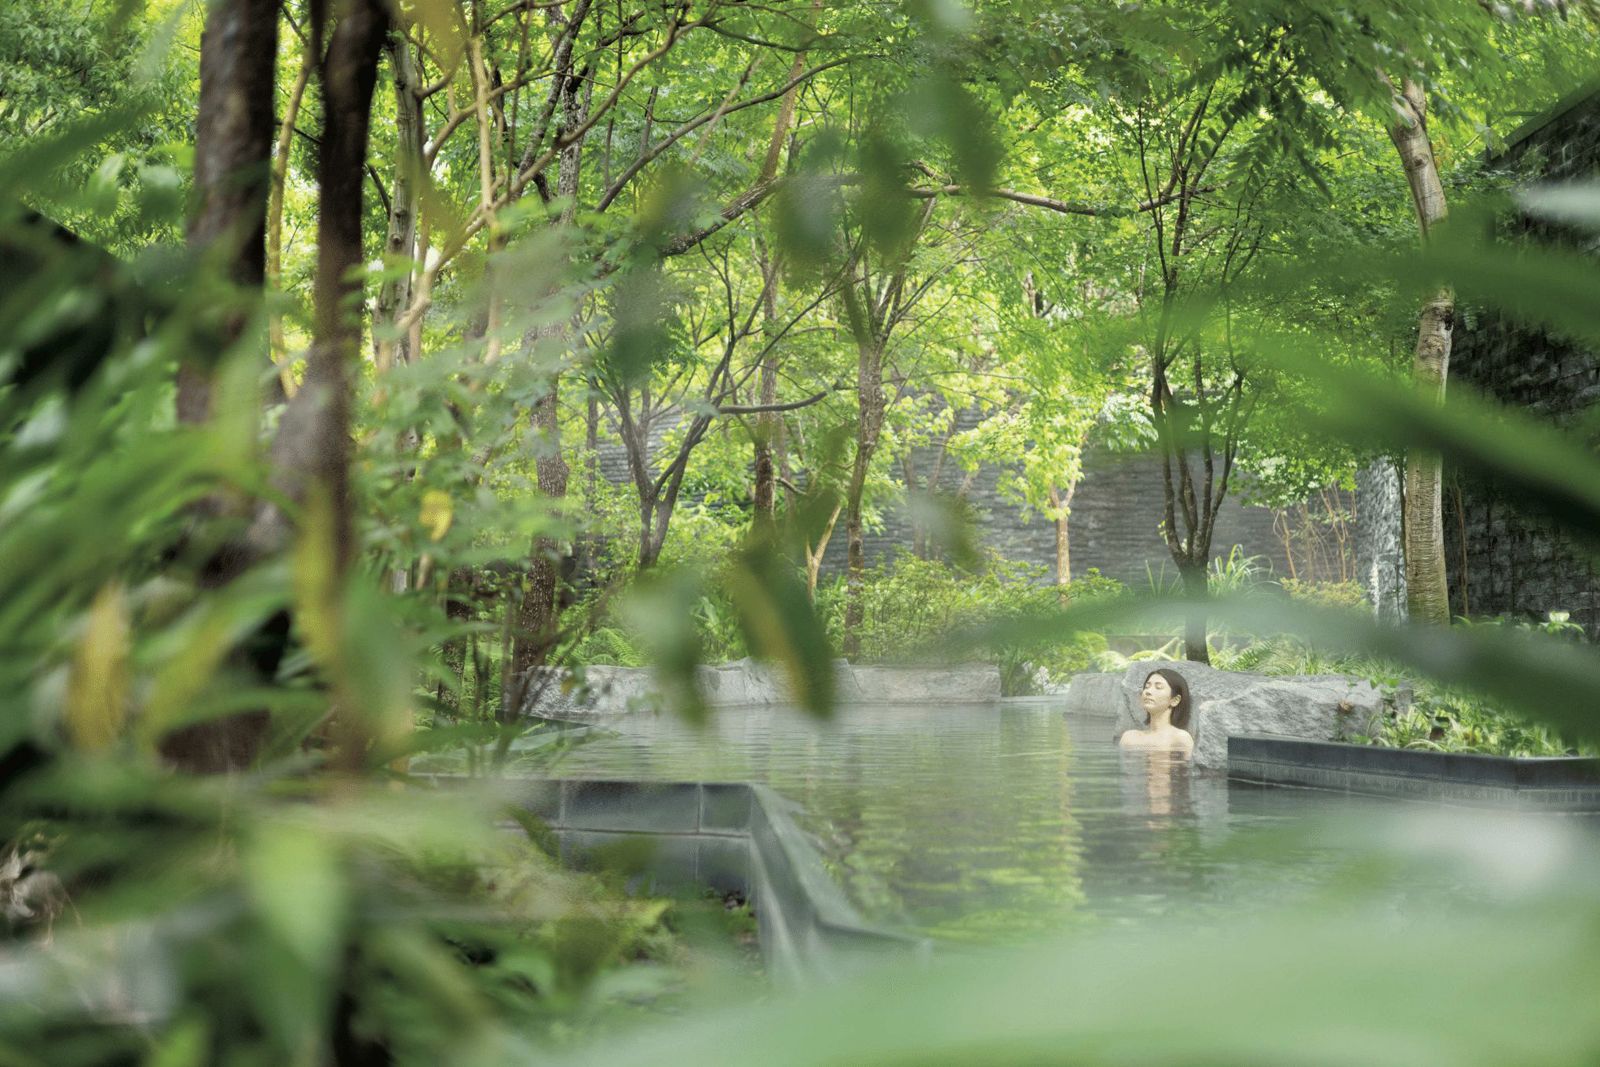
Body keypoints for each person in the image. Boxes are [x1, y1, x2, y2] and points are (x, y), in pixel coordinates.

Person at [1118, 668, 1194, 755]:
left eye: (1158, 687)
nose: (1148, 691)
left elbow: (1187, 768)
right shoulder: (1129, 738)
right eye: (1147, 687)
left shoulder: (1180, 739)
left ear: (1175, 700)